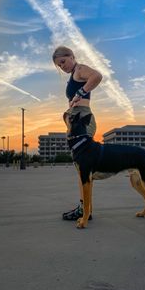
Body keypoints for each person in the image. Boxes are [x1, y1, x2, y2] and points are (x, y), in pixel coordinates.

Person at [52, 46, 102, 220]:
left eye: (63, 61)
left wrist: (80, 93)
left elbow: (97, 76)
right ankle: (85, 208)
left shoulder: (79, 69)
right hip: (78, 120)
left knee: (83, 170)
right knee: (81, 170)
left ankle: (84, 210)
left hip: (83, 120)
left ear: (72, 56)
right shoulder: (74, 74)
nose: (63, 66)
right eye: (59, 65)